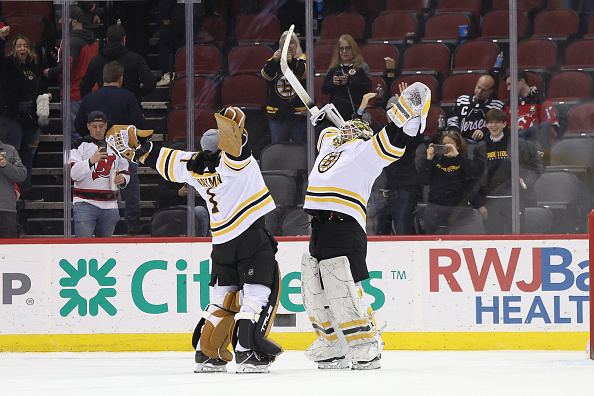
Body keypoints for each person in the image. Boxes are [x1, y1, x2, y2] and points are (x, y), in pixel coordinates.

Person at [110, 107, 283, 374]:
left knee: (220, 299)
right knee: (257, 295)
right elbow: (237, 148)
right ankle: (249, 353)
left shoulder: (193, 165)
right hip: (250, 236)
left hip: (221, 243)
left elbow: (159, 158)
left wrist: (139, 146)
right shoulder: (234, 163)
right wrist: (232, 123)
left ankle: (208, 354)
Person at [301, 82, 431, 370]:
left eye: (353, 128)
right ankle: (332, 342)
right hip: (319, 226)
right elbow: (324, 127)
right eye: (344, 127)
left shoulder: (363, 154)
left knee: (343, 287)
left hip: (345, 227)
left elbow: (393, 141)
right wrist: (319, 114)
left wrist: (404, 116)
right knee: (315, 288)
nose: (346, 129)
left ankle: (366, 345)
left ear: (362, 136)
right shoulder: (330, 146)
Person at [74, 61, 145, 235]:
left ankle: (113, 214)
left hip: (95, 148)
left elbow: (78, 125)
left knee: (109, 180)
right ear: (121, 79)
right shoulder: (128, 96)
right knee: (129, 180)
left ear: (102, 78)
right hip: (124, 149)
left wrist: (92, 139)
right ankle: (131, 222)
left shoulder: (90, 98)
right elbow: (139, 124)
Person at [473, 109, 543, 234]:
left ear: (504, 124)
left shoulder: (519, 144)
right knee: (493, 242)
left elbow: (536, 166)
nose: (493, 125)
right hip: (490, 202)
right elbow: (475, 177)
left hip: (514, 200)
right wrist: (479, 204)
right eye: (490, 122)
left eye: (497, 122)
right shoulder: (480, 147)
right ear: (486, 124)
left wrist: (525, 182)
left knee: (516, 240)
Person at [366, 86, 423, 235]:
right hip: (380, 196)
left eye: (398, 110)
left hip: (402, 195)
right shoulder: (380, 134)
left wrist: (410, 106)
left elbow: (418, 132)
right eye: (391, 112)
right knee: (379, 239)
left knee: (405, 236)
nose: (394, 115)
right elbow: (359, 133)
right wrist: (360, 110)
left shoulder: (409, 134)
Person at [0, 29, 51, 193]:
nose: (22, 49)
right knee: (12, 153)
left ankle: (25, 189)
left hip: (32, 115)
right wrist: (1, 39)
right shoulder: (8, 64)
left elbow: (42, 85)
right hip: (13, 114)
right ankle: (11, 191)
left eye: (25, 46)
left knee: (29, 154)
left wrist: (48, 94)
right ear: (14, 49)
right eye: (19, 46)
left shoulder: (35, 66)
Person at [43, 5, 98, 147]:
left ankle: (78, 167)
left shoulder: (71, 41)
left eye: (64, 18)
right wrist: (60, 57)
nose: (60, 21)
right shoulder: (91, 39)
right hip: (91, 93)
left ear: (74, 22)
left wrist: (51, 72)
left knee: (73, 135)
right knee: (90, 135)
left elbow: (69, 67)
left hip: (73, 94)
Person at [70, 111, 130, 238]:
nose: (98, 130)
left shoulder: (117, 147)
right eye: (94, 126)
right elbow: (73, 175)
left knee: (105, 250)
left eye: (101, 126)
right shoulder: (79, 145)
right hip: (84, 203)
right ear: (88, 126)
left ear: (106, 125)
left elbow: (125, 171)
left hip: (110, 205)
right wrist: (91, 161)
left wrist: (123, 179)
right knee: (83, 248)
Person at [418, 130, 483, 235]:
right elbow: (423, 180)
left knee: (464, 242)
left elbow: (474, 175)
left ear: (458, 146)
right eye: (444, 144)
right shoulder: (435, 161)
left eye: (451, 144)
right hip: (436, 208)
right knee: (435, 243)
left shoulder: (464, 161)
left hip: (460, 209)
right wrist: (428, 159)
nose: (447, 147)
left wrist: (457, 156)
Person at [80, 24, 157, 105]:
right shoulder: (135, 59)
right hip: (129, 106)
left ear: (107, 40)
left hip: (105, 106)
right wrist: (137, 94)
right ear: (124, 39)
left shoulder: (97, 61)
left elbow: (85, 86)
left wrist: (93, 103)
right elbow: (150, 82)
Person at [155, 140, 210, 237]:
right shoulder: (170, 170)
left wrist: (202, 193)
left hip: (196, 208)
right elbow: (159, 195)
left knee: (200, 211)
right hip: (174, 206)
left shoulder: (206, 170)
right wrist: (177, 193)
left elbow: (217, 195)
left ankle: (202, 240)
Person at [261, 30, 307, 144]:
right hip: (278, 114)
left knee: (300, 148)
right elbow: (265, 76)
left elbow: (305, 74)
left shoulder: (303, 59)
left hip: (300, 114)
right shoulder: (273, 60)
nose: (287, 45)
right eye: (284, 43)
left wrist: (291, 61)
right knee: (278, 147)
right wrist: (275, 61)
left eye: (291, 42)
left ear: (297, 44)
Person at [503, 70, 559, 150]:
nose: (508, 89)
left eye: (510, 84)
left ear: (522, 81)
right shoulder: (508, 105)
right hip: (515, 149)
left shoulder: (542, 102)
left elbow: (551, 128)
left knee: (545, 125)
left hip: (537, 147)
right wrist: (512, 129)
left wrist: (524, 132)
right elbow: (502, 129)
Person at [322, 34, 372, 121]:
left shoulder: (362, 67)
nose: (344, 51)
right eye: (341, 48)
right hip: (336, 115)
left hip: (356, 112)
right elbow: (324, 90)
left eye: (348, 48)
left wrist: (350, 81)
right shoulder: (333, 67)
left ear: (353, 49)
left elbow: (367, 87)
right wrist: (332, 82)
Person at [446, 74, 504, 142]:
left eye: (484, 90)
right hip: (462, 142)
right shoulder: (462, 100)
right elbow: (452, 120)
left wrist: (484, 131)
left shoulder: (497, 105)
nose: (479, 92)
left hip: (485, 143)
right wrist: (456, 134)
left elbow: (498, 126)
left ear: (490, 92)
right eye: (478, 87)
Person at [0, 134, 27, 238]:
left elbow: (22, 175)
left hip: (6, 210)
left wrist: (6, 165)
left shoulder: (10, 150)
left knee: (9, 251)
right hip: (6, 209)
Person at [156, 0, 185, 86]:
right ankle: (181, 72)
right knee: (183, 45)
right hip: (188, 15)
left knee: (166, 44)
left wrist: (164, 15)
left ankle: (168, 73)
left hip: (173, 16)